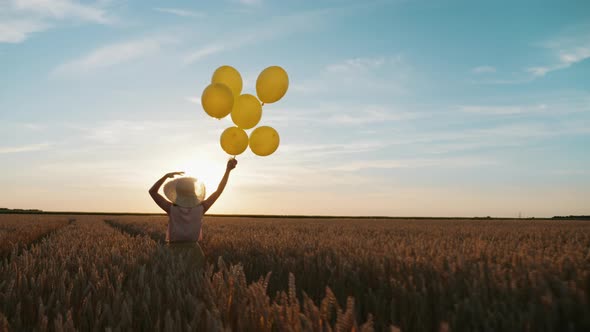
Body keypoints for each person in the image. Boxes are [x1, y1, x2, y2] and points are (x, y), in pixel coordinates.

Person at [149, 158, 238, 269]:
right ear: (194, 192)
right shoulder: (201, 208)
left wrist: (165, 176)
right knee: (195, 283)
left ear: (177, 193)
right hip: (195, 253)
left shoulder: (171, 209)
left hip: (173, 251)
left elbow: (152, 191)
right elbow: (218, 191)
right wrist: (227, 171)